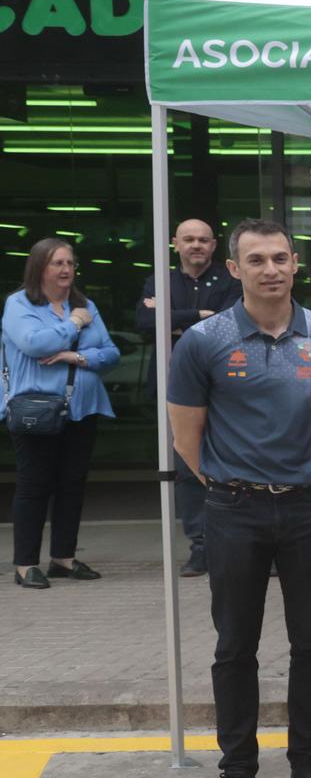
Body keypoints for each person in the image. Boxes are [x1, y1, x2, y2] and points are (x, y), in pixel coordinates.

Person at [167, 220, 311, 778]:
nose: (270, 269)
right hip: (234, 509)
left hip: (307, 509)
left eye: (280, 258)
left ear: (296, 264)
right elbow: (186, 436)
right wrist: (229, 483)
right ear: (236, 268)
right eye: (256, 259)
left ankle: (307, 763)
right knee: (234, 645)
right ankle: (237, 774)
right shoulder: (203, 340)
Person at [6, 239, 119, 589]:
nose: (66, 269)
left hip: (82, 408)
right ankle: (25, 564)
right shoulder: (19, 304)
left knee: (72, 484)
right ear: (39, 267)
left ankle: (63, 559)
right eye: (57, 263)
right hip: (36, 409)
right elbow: (34, 344)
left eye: (70, 263)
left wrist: (76, 357)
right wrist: (72, 325)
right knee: (34, 485)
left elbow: (110, 352)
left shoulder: (86, 304)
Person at [139, 218, 240, 577]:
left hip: (223, 386)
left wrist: (172, 320)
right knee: (186, 468)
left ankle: (235, 543)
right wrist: (198, 315)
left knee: (230, 463)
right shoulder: (159, 280)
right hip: (174, 389)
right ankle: (201, 546)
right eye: (189, 240)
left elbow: (230, 324)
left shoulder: (231, 281)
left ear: (214, 245)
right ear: (175, 244)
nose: (196, 245)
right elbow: (145, 323)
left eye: (203, 240)